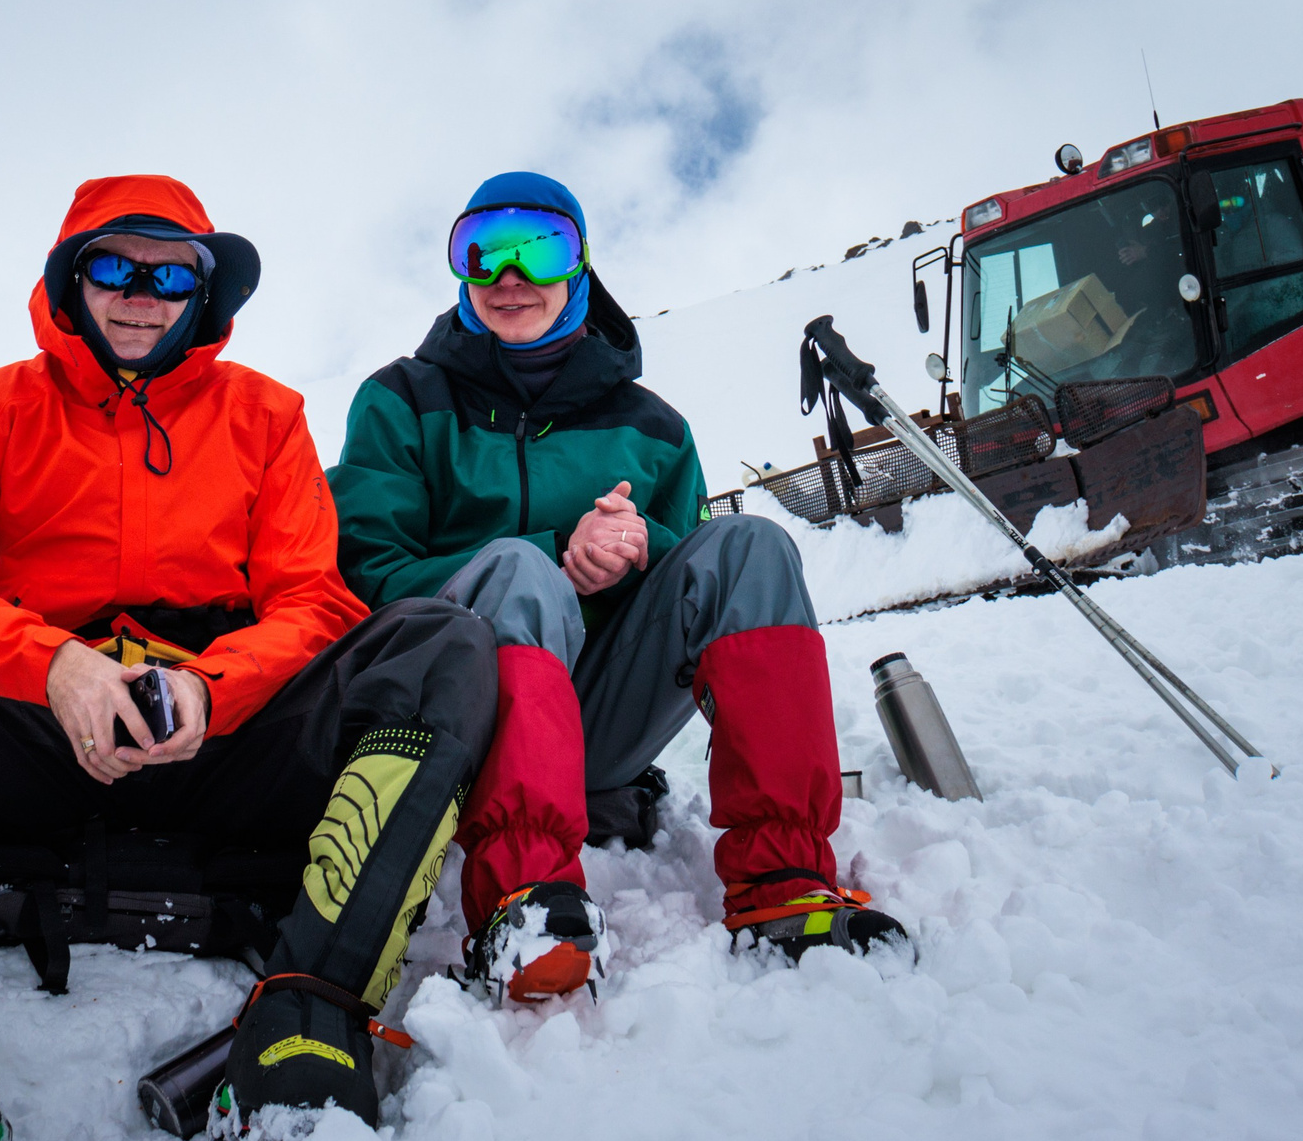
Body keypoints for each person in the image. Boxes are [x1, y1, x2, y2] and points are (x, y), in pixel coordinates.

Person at [0, 174, 499, 1141]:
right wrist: (49, 663)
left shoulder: (266, 418)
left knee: (440, 641)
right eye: (113, 267)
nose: (140, 294)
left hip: (220, 746)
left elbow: (314, 604)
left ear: (204, 294)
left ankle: (308, 1019)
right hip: (30, 735)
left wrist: (210, 689)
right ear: (70, 281)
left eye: (170, 274)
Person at [329, 171, 909, 1007]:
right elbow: (365, 574)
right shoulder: (402, 401)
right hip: (443, 721)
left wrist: (643, 549)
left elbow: (696, 573)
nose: (509, 278)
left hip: (593, 718)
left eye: (540, 249)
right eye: (481, 253)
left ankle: (783, 878)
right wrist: (548, 553)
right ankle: (524, 903)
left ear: (581, 264)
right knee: (518, 570)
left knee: (752, 547)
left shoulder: (654, 430)